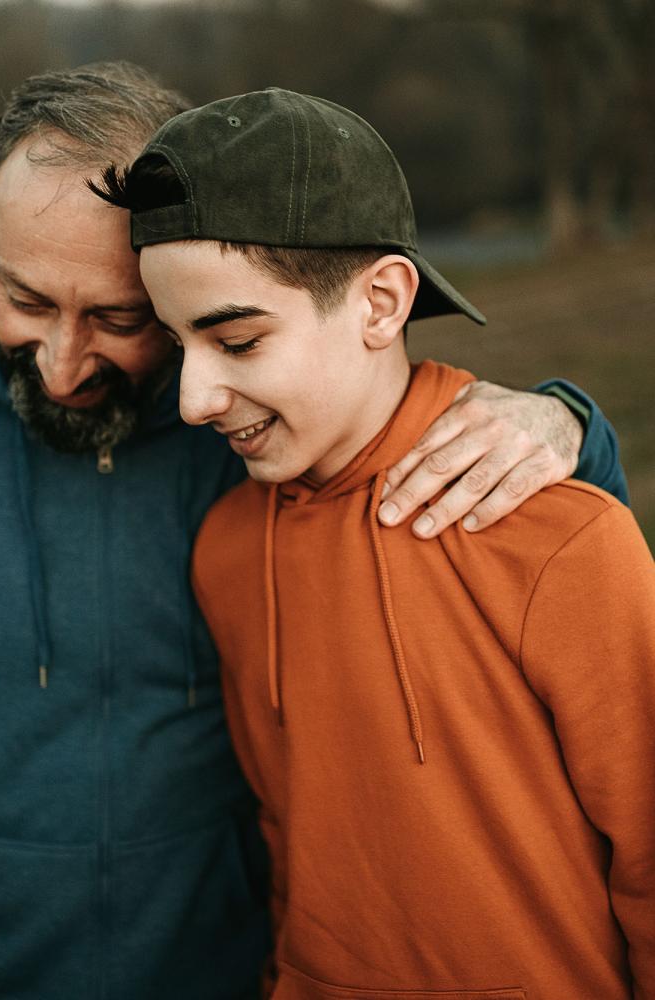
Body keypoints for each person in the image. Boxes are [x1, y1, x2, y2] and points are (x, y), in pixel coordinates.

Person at [0, 64, 627, 1000]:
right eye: (24, 300)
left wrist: (572, 427)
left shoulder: (246, 439)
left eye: (118, 319)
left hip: (229, 972)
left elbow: (421, 471)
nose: (65, 367)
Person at [102, 87, 654, 998]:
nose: (194, 400)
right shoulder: (227, 552)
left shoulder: (559, 537)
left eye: (236, 340)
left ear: (382, 303)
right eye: (176, 345)